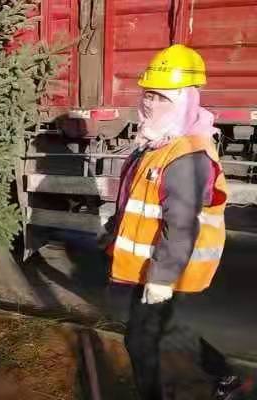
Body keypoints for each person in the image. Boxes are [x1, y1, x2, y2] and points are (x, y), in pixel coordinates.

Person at [105, 44, 244, 400]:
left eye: (163, 98)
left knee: (140, 341)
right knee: (169, 328)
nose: (151, 104)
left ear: (185, 102)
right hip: (151, 262)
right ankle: (226, 375)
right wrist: (112, 232)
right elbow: (136, 198)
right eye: (148, 95)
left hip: (166, 266)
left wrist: (162, 280)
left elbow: (181, 225)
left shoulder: (186, 154)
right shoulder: (157, 142)